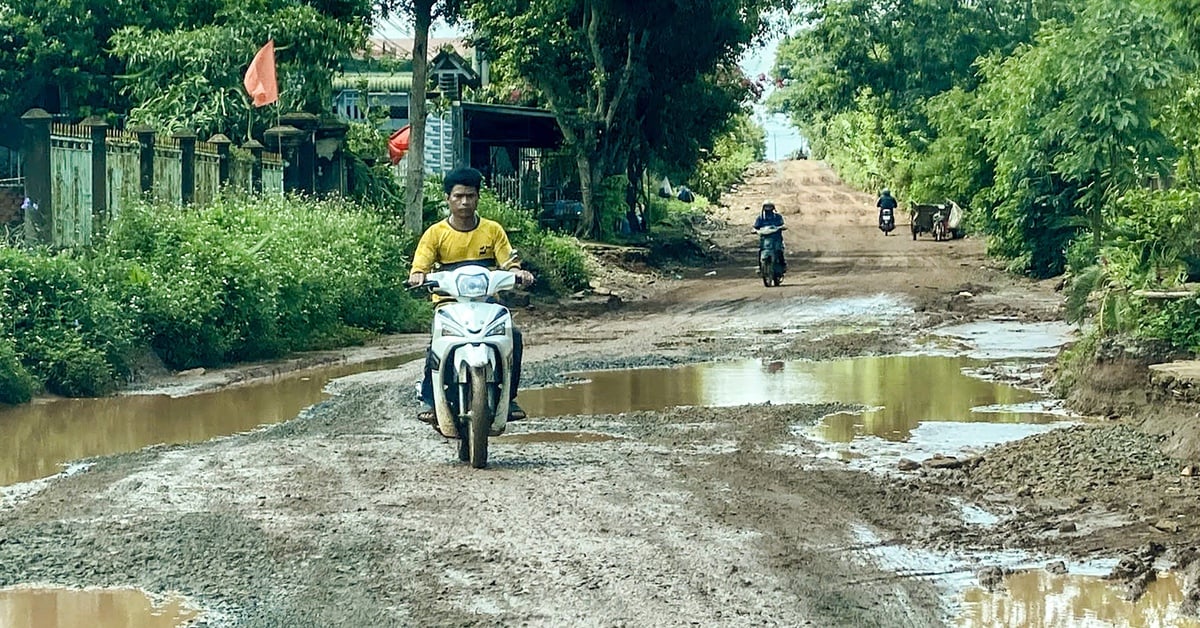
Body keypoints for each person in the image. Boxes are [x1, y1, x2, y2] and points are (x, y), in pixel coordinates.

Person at [407, 167, 536, 423]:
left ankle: (508, 398)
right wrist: (418, 276)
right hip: (448, 304)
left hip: (487, 304)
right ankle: (431, 400)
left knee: (515, 336)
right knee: (436, 342)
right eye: (458, 196)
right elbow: (420, 265)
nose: (464, 202)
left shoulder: (493, 230)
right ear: (448, 198)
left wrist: (518, 273)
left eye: (470, 196)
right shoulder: (435, 233)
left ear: (478, 197)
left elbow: (509, 261)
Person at [753, 201, 786, 272]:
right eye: (766, 207)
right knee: (761, 251)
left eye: (770, 206)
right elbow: (756, 226)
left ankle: (782, 265)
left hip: (776, 238)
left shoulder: (777, 217)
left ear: (773, 208)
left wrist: (781, 227)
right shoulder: (761, 218)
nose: (768, 208)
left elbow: (782, 224)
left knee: (779, 250)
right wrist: (754, 230)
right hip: (765, 239)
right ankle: (760, 267)